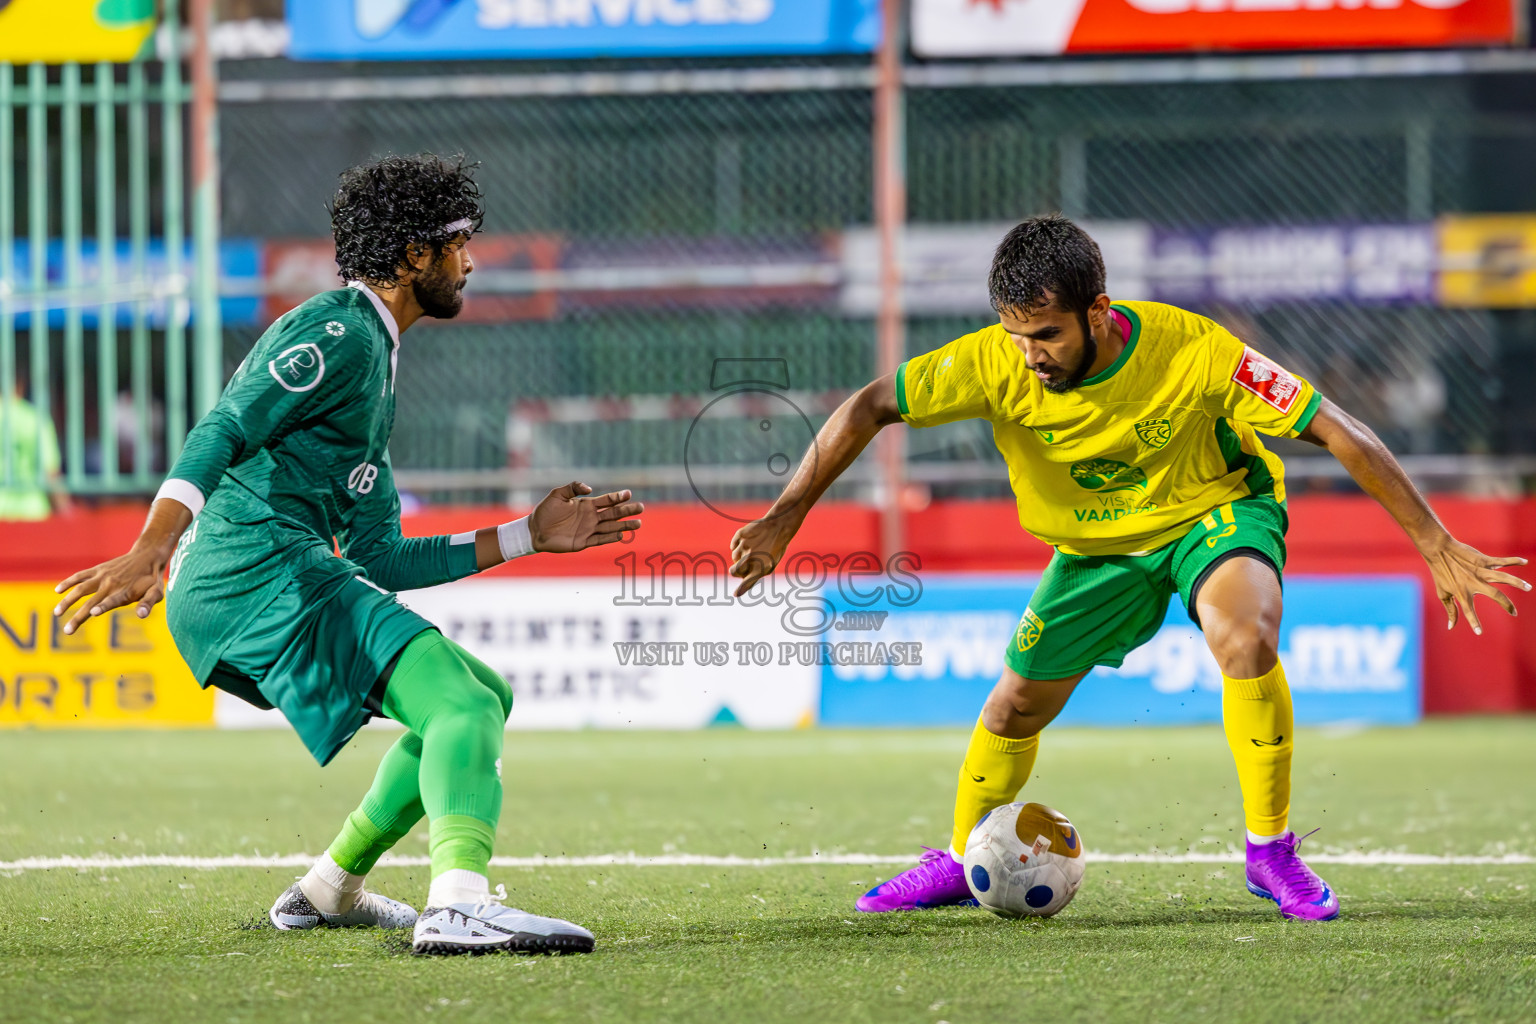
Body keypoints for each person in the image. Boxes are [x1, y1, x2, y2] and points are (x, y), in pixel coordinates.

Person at [728, 215, 1529, 922]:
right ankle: (959, 854)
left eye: (1046, 335)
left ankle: (1269, 852)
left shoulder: (1197, 350)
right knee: (1012, 707)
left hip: (1210, 514)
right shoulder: (991, 362)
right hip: (1092, 550)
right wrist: (785, 516)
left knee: (1243, 635)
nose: (1029, 354)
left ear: (1098, 313)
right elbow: (868, 406)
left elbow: (1336, 427)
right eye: (1014, 333)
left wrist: (1434, 541)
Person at [52, 155, 643, 955]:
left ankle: (331, 888)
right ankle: (460, 904)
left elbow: (382, 556)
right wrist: (149, 548)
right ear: (411, 256)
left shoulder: (375, 361)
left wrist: (526, 537)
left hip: (265, 575)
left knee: (482, 695)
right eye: (457, 242)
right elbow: (222, 427)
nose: (470, 260)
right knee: (457, 710)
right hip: (257, 571)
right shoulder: (337, 331)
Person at [0, 381, 70, 520]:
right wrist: (66, 511)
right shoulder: (35, 418)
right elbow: (50, 474)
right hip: (33, 513)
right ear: (19, 384)